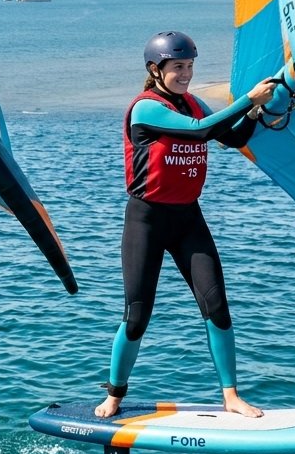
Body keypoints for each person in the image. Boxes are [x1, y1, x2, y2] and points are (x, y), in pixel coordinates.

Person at [95, 31, 280, 419]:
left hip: (188, 218)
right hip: (146, 220)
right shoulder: (146, 109)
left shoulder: (194, 103)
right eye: (178, 67)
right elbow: (200, 131)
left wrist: (258, 111)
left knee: (217, 306)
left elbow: (231, 136)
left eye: (190, 66)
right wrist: (248, 99)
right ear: (155, 69)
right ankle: (114, 395)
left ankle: (230, 396)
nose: (186, 74)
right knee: (137, 315)